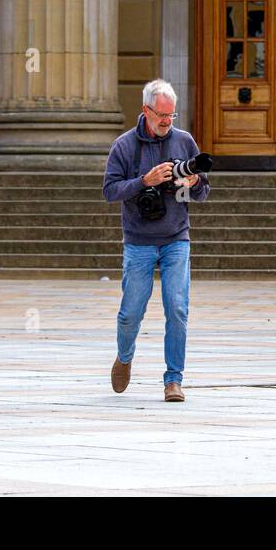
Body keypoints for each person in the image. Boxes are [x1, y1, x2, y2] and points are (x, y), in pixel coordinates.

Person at [104, 79, 211, 401]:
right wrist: (143, 181)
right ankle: (124, 358)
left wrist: (193, 182)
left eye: (171, 116)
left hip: (176, 237)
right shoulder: (124, 145)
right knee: (130, 313)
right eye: (161, 115)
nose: (167, 121)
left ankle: (173, 379)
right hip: (139, 240)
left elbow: (204, 193)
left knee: (177, 308)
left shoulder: (184, 141)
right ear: (145, 110)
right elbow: (109, 191)